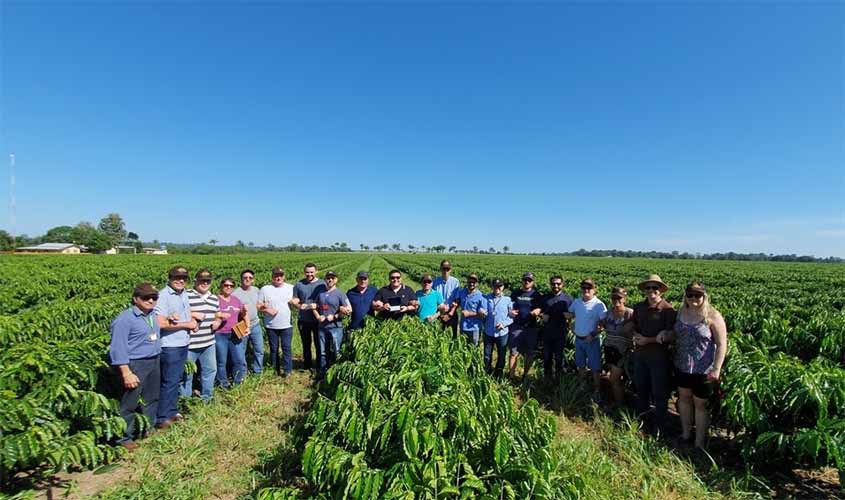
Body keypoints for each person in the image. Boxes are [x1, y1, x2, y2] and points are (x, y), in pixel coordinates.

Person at [668, 282, 728, 450]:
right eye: (690, 295)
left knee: (701, 405)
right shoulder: (680, 313)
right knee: (684, 399)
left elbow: (722, 344)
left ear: (704, 297)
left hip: (704, 369)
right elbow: (676, 333)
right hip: (682, 365)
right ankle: (686, 434)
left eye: (697, 295)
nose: (694, 298)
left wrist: (716, 368)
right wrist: (666, 335)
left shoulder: (713, 316)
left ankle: (699, 443)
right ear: (685, 296)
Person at [108, 283, 162, 450]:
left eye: (154, 297)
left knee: (151, 398)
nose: (151, 300)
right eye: (146, 297)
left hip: (153, 360)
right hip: (135, 364)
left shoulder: (152, 315)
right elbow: (118, 348)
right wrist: (126, 372)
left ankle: (148, 428)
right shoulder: (125, 319)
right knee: (129, 403)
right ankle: (124, 437)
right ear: (135, 299)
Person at [631, 274, 677, 437]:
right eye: (648, 288)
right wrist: (636, 335)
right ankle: (642, 420)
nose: (651, 291)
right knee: (641, 389)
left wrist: (647, 340)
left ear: (660, 291)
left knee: (659, 393)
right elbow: (635, 325)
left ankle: (660, 425)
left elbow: (670, 335)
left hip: (659, 358)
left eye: (654, 288)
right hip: (640, 356)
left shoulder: (668, 310)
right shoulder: (639, 307)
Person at [154, 266, 197, 429]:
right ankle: (162, 417)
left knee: (176, 379)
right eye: (177, 278)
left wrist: (193, 323)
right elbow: (160, 323)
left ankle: (172, 411)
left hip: (183, 342)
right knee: (169, 380)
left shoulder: (183, 294)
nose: (180, 281)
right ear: (169, 279)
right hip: (169, 345)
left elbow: (185, 315)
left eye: (184, 278)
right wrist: (187, 324)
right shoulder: (163, 296)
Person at [183, 269, 220, 403]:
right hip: (189, 344)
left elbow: (217, 314)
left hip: (208, 342)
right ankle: (185, 402)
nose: (204, 283)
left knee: (210, 371)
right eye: (202, 280)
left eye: (207, 281)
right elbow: (176, 311)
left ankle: (207, 398)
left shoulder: (214, 298)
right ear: (195, 281)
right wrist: (193, 314)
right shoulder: (186, 295)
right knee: (187, 374)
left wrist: (218, 321)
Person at [568, 278, 608, 402]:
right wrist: (570, 325)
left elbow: (603, 322)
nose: (586, 290)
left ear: (594, 290)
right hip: (578, 339)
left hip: (592, 340)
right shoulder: (577, 302)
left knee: (595, 367)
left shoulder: (599, 304)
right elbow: (571, 314)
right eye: (584, 288)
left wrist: (594, 333)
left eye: (589, 288)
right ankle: (582, 387)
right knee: (580, 365)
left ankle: (597, 391)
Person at [600, 287, 634, 409]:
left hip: (622, 351)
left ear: (624, 299)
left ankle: (619, 404)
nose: (616, 300)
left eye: (619, 298)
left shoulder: (630, 313)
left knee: (614, 379)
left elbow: (635, 331)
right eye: (614, 297)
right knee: (614, 378)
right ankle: (617, 401)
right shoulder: (608, 313)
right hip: (609, 348)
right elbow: (602, 325)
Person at [259, 267, 296, 377]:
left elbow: (296, 302)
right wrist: (266, 309)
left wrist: (295, 303)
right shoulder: (265, 289)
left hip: (286, 324)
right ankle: (275, 370)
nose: (278, 277)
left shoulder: (291, 288)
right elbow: (258, 305)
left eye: (280, 275)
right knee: (273, 349)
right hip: (271, 325)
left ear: (284, 276)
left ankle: (287, 371)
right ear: (272, 277)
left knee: (286, 348)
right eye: (276, 275)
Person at [314, 271, 352, 379]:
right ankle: (322, 373)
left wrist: (335, 316)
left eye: (332, 278)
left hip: (336, 327)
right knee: (322, 352)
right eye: (328, 278)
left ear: (336, 280)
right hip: (322, 327)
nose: (330, 280)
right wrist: (318, 316)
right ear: (325, 279)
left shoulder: (340, 293)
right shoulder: (320, 293)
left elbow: (349, 309)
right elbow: (314, 307)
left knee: (336, 351)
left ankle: (336, 374)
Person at [508, 272, 543, 380]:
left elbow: (543, 308)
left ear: (532, 282)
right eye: (525, 280)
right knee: (513, 352)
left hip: (531, 327)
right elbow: (508, 306)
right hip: (517, 326)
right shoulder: (515, 293)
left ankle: (525, 375)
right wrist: (510, 312)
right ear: (522, 281)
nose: (527, 282)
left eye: (529, 280)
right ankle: (511, 376)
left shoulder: (536, 295)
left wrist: (539, 310)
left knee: (529, 353)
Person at [292, 263, 326, 371]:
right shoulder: (299, 284)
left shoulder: (322, 284)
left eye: (311, 272)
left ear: (316, 271)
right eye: (307, 272)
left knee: (319, 343)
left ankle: (319, 365)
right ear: (304, 272)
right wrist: (300, 306)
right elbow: (295, 300)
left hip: (318, 320)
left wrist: (320, 306)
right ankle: (307, 365)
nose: (309, 274)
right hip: (304, 319)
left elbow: (328, 299)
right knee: (306, 344)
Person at [215, 277, 248, 388]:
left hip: (235, 334)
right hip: (220, 334)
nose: (229, 287)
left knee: (238, 359)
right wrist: (219, 315)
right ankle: (223, 384)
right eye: (226, 285)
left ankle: (237, 383)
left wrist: (247, 326)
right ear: (221, 286)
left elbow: (243, 314)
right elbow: (210, 314)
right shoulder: (215, 300)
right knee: (221, 361)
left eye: (231, 286)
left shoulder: (236, 300)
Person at [540, 275, 573, 381]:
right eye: (553, 284)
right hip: (547, 333)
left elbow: (573, 314)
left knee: (559, 358)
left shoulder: (568, 299)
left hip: (561, 333)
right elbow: (539, 311)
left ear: (562, 285)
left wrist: (570, 317)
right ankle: (547, 379)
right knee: (547, 357)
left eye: (558, 284)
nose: (556, 286)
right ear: (550, 285)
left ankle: (559, 380)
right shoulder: (544, 298)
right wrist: (541, 315)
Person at [479, 278, 514, 378]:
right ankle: (487, 372)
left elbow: (512, 317)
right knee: (487, 354)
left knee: (502, 354)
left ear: (503, 287)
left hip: (502, 333)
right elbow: (483, 312)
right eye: (495, 286)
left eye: (499, 286)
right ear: (492, 287)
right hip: (488, 332)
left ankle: (499, 373)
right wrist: (482, 313)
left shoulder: (508, 300)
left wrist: (504, 324)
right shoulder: (486, 298)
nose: (497, 288)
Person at [233, 269, 264, 375]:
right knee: (241, 351)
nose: (247, 279)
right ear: (241, 279)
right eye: (245, 278)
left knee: (259, 349)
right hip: (241, 325)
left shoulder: (256, 290)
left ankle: (257, 372)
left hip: (255, 324)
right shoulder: (235, 293)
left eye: (250, 278)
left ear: (253, 280)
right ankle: (242, 374)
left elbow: (260, 304)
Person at [446, 273, 486, 346]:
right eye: (470, 282)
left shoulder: (481, 296)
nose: (471, 284)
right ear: (467, 282)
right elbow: (457, 301)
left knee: (473, 349)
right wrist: (452, 308)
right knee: (463, 347)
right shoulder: (462, 292)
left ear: (477, 283)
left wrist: (469, 314)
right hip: (463, 326)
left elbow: (483, 315)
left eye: (474, 282)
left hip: (474, 328)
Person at [433, 260, 460, 334]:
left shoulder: (455, 282)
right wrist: (440, 312)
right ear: (440, 269)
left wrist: (450, 314)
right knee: (438, 335)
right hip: (438, 312)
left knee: (453, 337)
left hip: (451, 313)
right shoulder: (435, 282)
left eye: (447, 269)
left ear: (450, 270)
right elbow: (432, 298)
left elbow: (457, 299)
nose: (445, 271)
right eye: (443, 268)